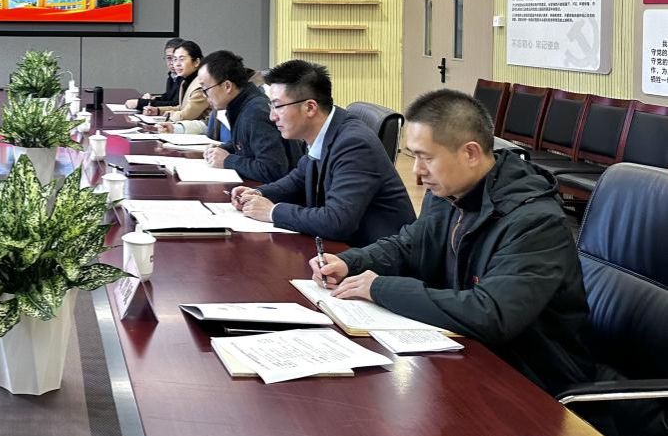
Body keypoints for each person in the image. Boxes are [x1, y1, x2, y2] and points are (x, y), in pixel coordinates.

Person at [310, 89, 596, 398]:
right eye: (413, 156)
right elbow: (410, 244)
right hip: (467, 357)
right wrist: (351, 262)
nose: (417, 171)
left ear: (470, 153)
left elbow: (492, 314)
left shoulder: (535, 221)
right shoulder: (449, 191)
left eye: (426, 157)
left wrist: (380, 288)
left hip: (534, 383)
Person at [231, 59, 414, 245]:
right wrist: (259, 193)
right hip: (342, 248)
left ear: (310, 107)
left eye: (278, 106)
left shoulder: (354, 144)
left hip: (375, 254)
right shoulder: (324, 129)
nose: (272, 116)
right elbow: (298, 178)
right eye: (270, 106)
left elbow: (336, 221)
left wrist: (272, 211)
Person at [180, 50, 288, 183]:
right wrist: (223, 148)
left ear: (227, 86)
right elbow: (246, 143)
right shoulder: (240, 104)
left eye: (205, 89)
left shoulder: (255, 112)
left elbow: (272, 170)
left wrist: (227, 160)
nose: (204, 95)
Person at [142, 40, 210, 124]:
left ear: (196, 62)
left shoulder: (201, 85)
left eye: (181, 59)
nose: (177, 64)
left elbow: (186, 115)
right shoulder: (185, 81)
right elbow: (182, 107)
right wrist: (158, 110)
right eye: (175, 59)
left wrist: (170, 115)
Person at [124, 37, 184, 110]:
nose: (172, 62)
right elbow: (168, 98)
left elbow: (176, 104)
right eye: (169, 58)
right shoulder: (172, 76)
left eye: (175, 58)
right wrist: (153, 98)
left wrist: (141, 103)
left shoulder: (185, 78)